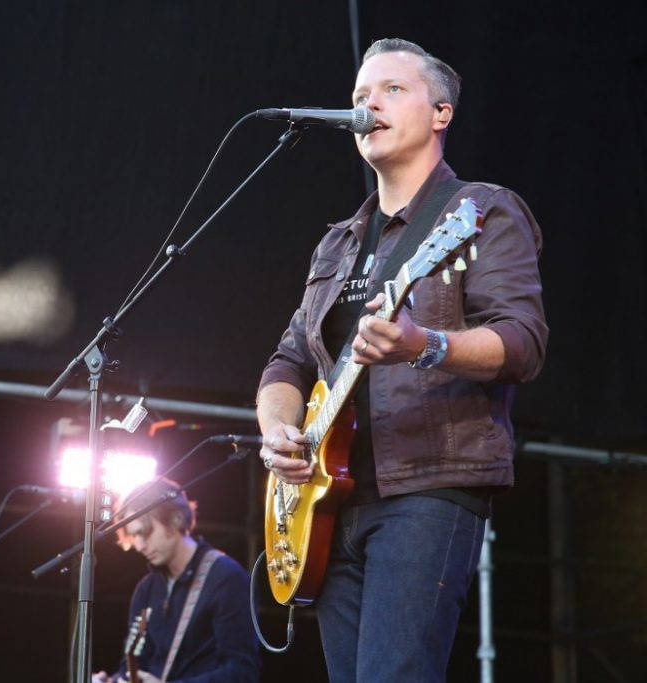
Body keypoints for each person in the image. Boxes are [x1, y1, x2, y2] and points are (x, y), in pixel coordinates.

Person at [256, 38, 547, 682]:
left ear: (441, 112)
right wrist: (278, 430)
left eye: (391, 89)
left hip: (428, 486)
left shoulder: (480, 212)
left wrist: (425, 344)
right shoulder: (337, 245)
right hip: (329, 503)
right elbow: (287, 363)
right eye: (360, 95)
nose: (368, 104)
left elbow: (522, 342)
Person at [92, 479, 260, 682]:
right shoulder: (147, 589)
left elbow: (242, 672)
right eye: (134, 536)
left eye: (145, 532)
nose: (139, 545)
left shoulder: (226, 578)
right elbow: (135, 666)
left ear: (176, 519)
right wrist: (114, 679)